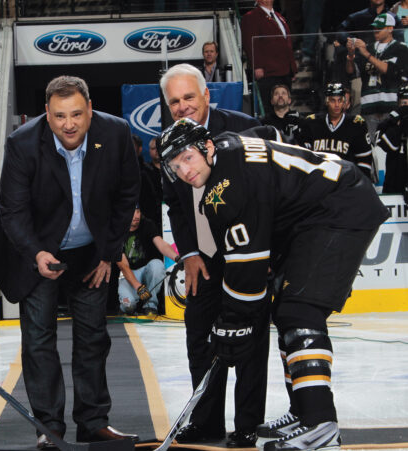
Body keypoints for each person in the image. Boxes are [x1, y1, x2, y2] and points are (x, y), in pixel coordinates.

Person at [157, 117, 388, 450]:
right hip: (324, 205)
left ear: (206, 148)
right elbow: (268, 137)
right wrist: (234, 320)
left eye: (188, 158)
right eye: (175, 166)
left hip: (339, 206)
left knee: (300, 310)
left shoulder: (223, 189)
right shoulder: (226, 147)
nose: (184, 171)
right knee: (285, 307)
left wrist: (231, 323)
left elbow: (248, 270)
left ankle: (319, 423)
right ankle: (303, 410)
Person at [0, 75, 140, 449]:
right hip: (36, 250)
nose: (68, 124)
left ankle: (93, 421)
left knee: (93, 338)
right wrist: (37, 254)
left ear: (90, 110)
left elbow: (127, 194)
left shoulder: (116, 133)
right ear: (46, 115)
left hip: (91, 254)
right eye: (58, 116)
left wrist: (109, 253)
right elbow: (12, 211)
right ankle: (49, 428)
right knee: (38, 339)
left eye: (76, 114)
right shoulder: (23, 142)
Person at [159, 63, 265, 448]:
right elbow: (173, 204)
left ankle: (249, 424)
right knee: (198, 339)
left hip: (248, 253)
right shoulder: (170, 141)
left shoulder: (244, 128)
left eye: (189, 97)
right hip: (202, 259)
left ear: (206, 95)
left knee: (250, 341)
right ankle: (206, 422)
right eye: (174, 101)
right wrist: (187, 252)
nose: (183, 106)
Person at [346, 13, 408, 138]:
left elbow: (389, 70)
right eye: (375, 27)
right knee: (372, 150)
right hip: (369, 108)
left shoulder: (401, 48)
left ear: (390, 29)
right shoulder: (368, 48)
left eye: (380, 27)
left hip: (391, 107)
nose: (376, 30)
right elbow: (351, 72)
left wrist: (366, 54)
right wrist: (351, 56)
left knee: (389, 146)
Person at [301, 83, 373, 179]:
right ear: (326, 101)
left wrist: (360, 183)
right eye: (333, 100)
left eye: (340, 100)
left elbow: (365, 159)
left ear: (344, 102)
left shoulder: (356, 124)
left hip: (346, 181)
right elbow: (304, 158)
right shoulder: (312, 123)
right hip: (319, 180)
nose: (337, 105)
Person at [116, 206, 178, 317]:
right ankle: (125, 307)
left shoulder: (147, 224)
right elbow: (123, 265)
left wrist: (177, 258)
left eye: (138, 212)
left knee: (157, 265)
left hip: (146, 269)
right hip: (127, 273)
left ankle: (150, 305)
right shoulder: (117, 228)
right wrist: (138, 287)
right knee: (128, 305)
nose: (136, 216)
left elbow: (161, 244)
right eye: (132, 212)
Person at [241, 0, 298, 114]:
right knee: (270, 109)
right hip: (268, 72)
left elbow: (287, 43)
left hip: (284, 71)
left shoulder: (278, 16)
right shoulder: (251, 17)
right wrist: (257, 66)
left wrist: (292, 68)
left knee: (285, 108)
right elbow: (250, 44)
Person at [376, 82, 408, 195]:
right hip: (393, 181)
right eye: (404, 103)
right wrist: (399, 126)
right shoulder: (389, 123)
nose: (406, 107)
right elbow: (385, 145)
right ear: (398, 104)